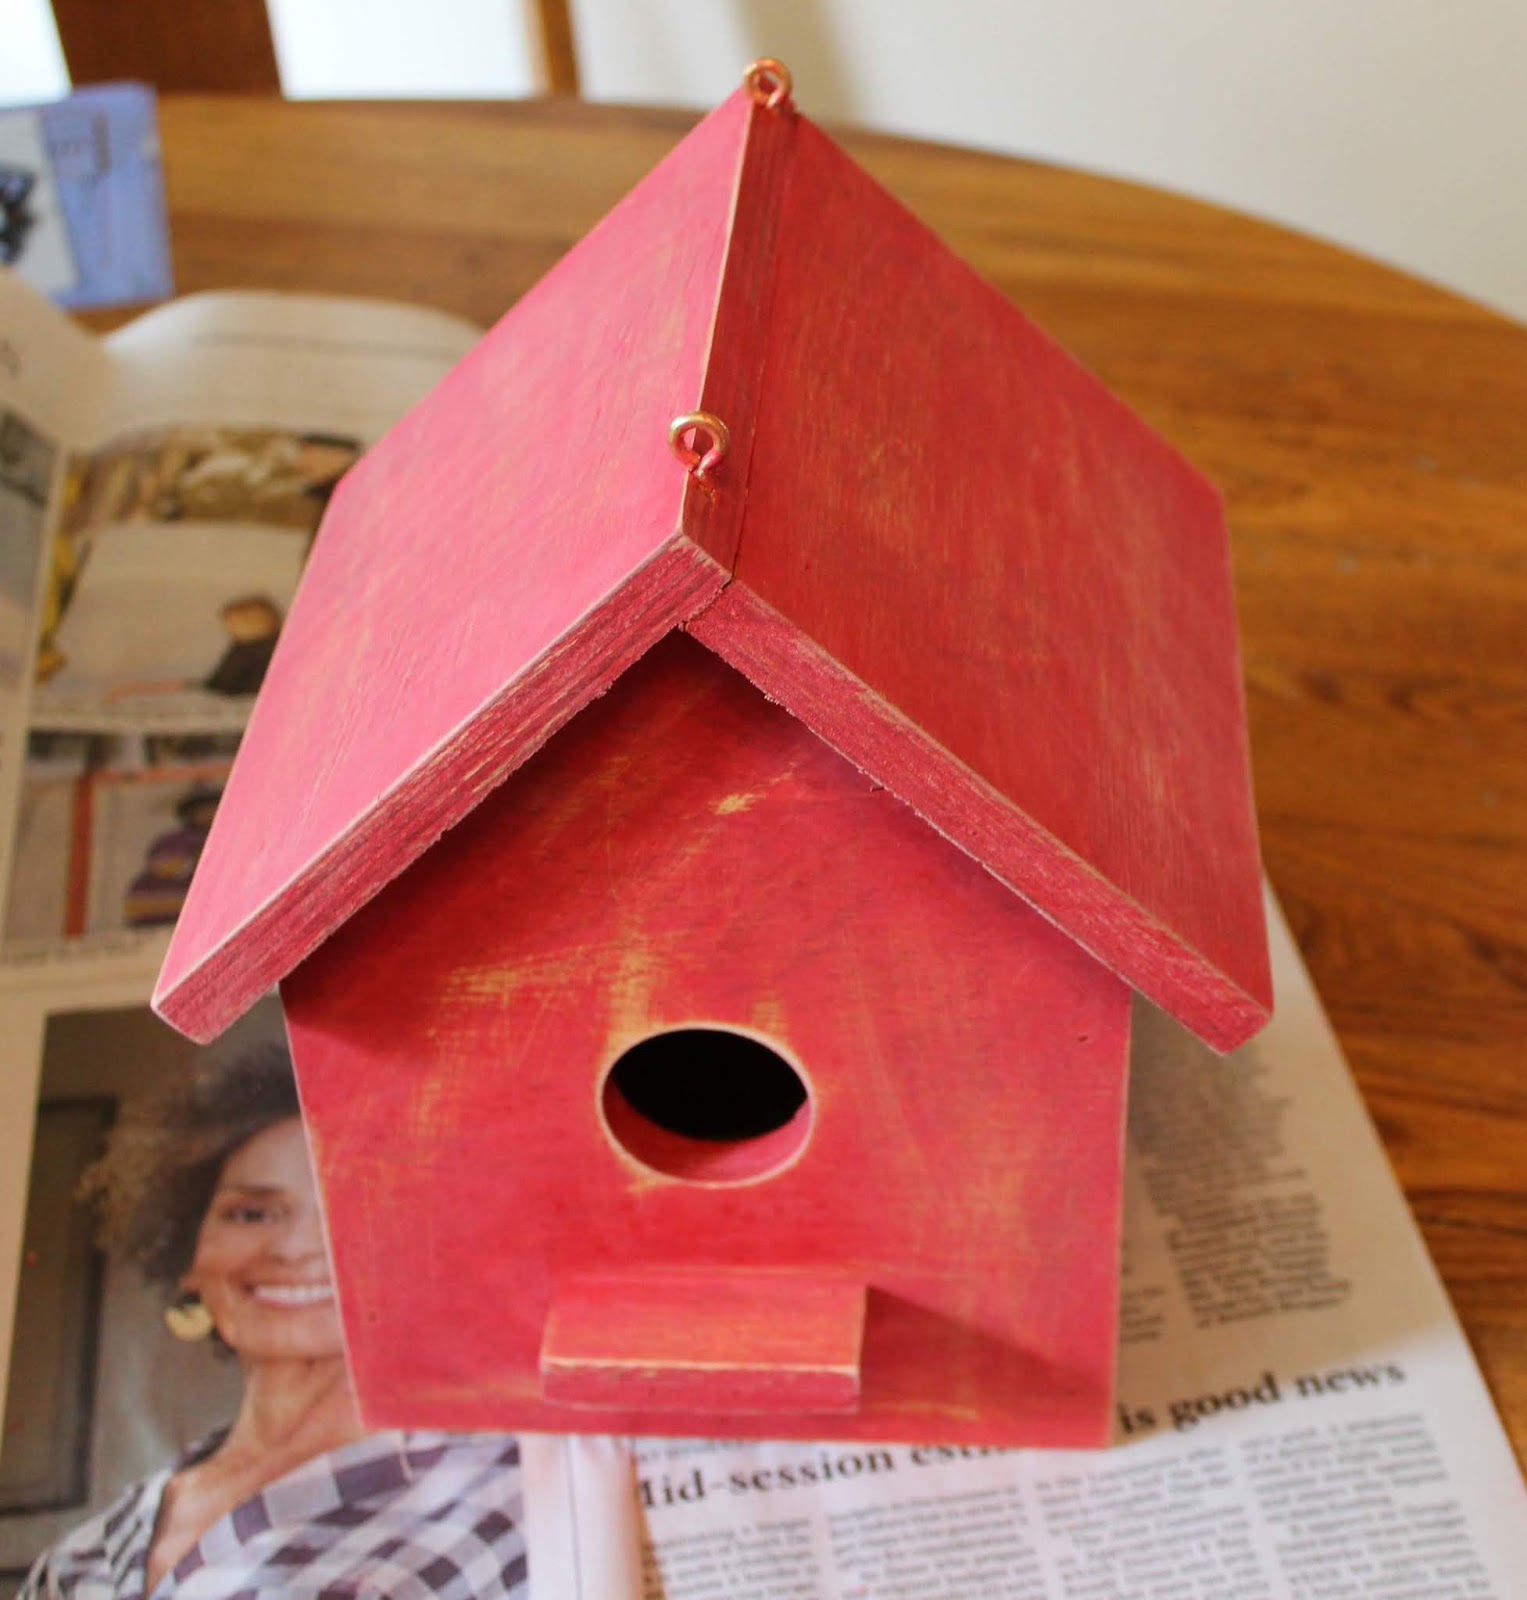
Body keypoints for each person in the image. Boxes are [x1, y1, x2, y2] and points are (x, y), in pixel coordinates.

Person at [20, 1042, 527, 1599]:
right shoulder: (86, 1553)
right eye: (252, 1213)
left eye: (347, 1207)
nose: (295, 1248)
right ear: (188, 1252)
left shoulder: (505, 1495)